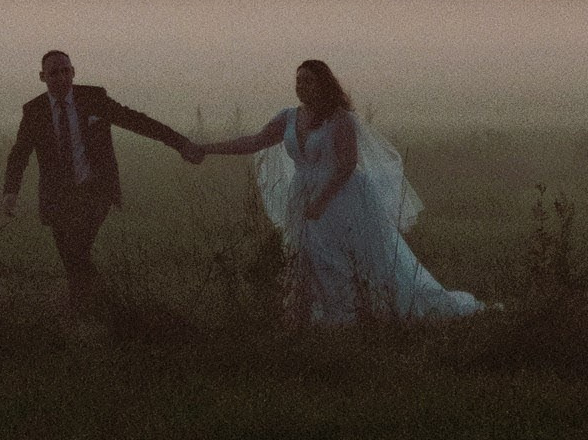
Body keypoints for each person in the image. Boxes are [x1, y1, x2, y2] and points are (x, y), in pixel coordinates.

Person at [190, 58, 484, 326]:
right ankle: (310, 318)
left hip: (342, 196)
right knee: (306, 257)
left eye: (307, 81)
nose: (300, 87)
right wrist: (206, 149)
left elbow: (347, 164)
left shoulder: (340, 119)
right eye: (297, 81)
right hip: (304, 196)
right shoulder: (290, 117)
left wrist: (322, 201)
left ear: (323, 84)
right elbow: (254, 142)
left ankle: (349, 319)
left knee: (340, 257)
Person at [3, 49, 201, 321]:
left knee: (76, 251)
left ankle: (107, 309)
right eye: (53, 73)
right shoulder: (35, 110)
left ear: (73, 72)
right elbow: (20, 153)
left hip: (94, 191)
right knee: (73, 261)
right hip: (57, 197)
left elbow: (136, 121)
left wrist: (180, 143)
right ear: (42, 77)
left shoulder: (93, 98)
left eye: (65, 71)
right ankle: (87, 313)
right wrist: (11, 192)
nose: (60, 78)